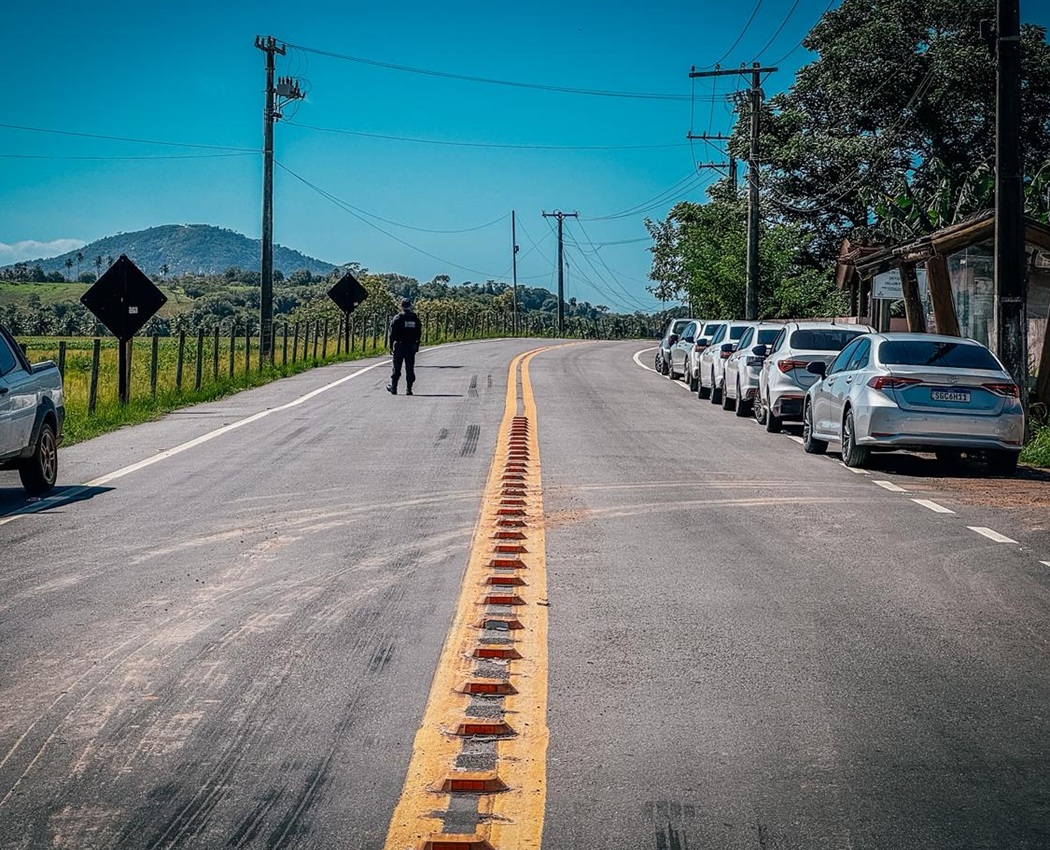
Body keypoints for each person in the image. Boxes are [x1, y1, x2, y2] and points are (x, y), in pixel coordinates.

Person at [387, 298, 422, 395]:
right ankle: (409, 389)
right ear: (410, 306)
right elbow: (419, 333)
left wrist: (391, 346)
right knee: (409, 367)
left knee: (396, 367)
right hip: (410, 346)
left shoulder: (398, 318)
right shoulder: (414, 318)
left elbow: (392, 334)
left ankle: (394, 387)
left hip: (399, 345)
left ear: (401, 306)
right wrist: (417, 345)